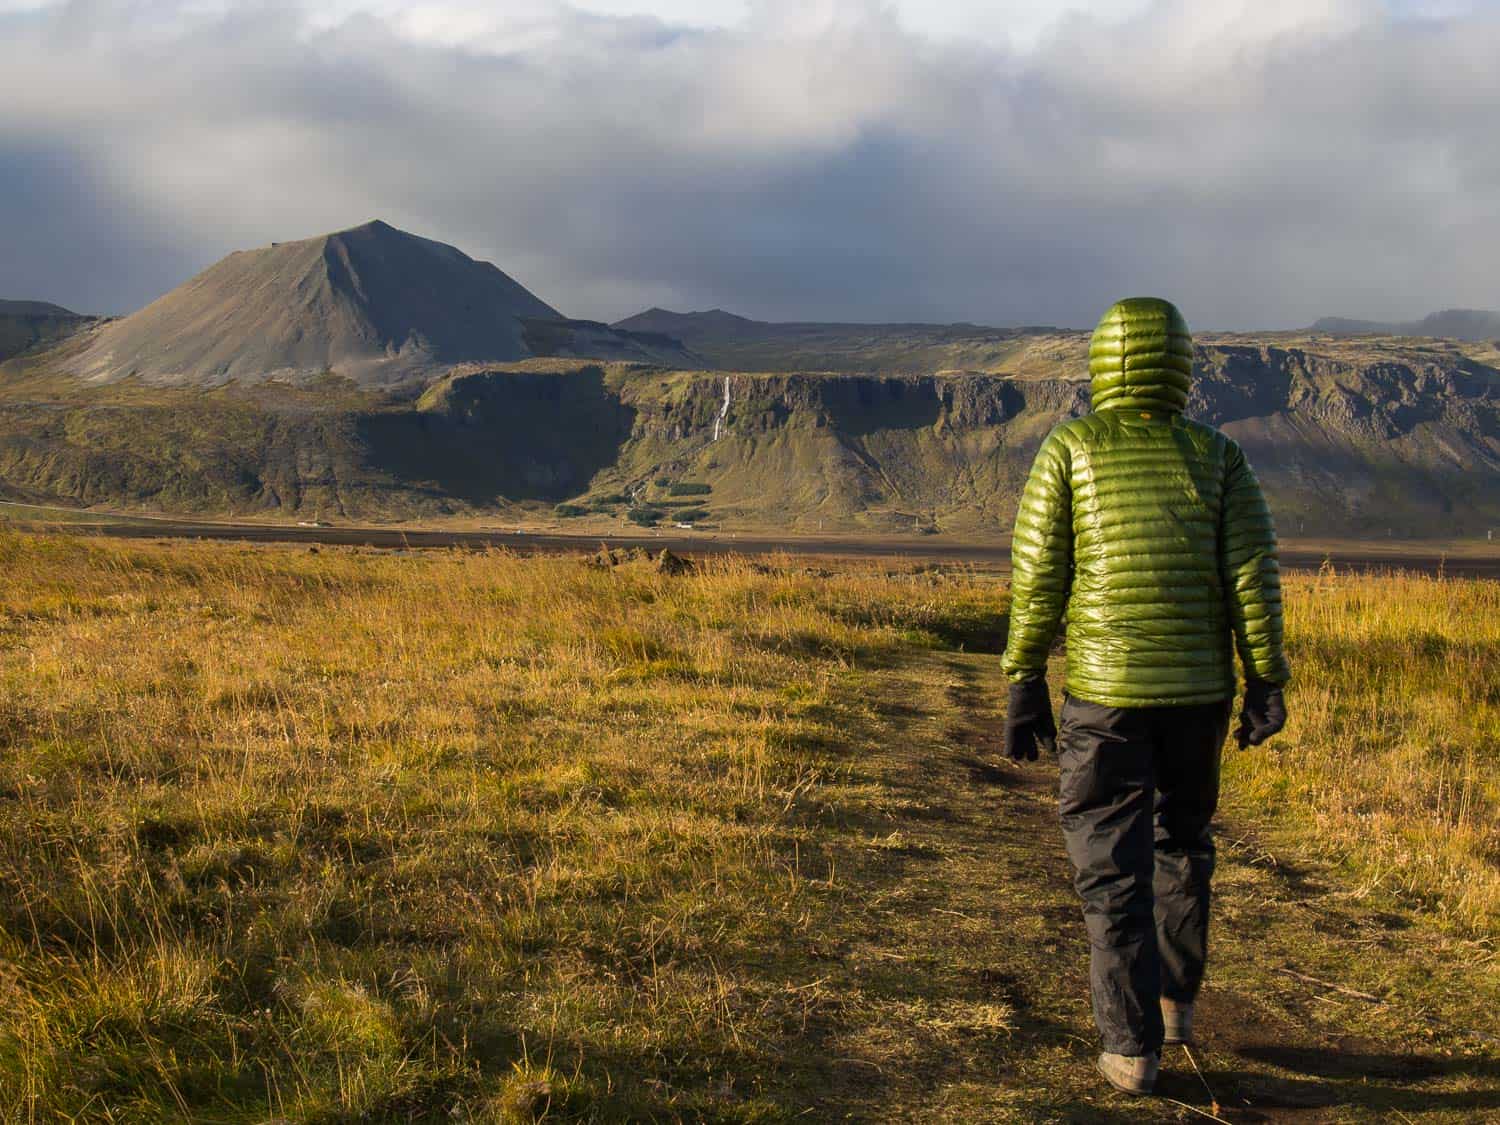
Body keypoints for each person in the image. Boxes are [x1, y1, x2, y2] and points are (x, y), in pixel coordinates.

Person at [999, 297, 1290, 1096]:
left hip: (1104, 699)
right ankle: (1175, 1005)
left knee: (1109, 862)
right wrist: (1265, 678)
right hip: (1199, 697)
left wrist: (1024, 675)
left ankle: (1130, 1050)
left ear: (1101, 362)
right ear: (1181, 364)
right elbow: (1251, 580)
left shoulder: (1070, 449)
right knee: (1184, 841)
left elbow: (1038, 577)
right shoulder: (1219, 456)